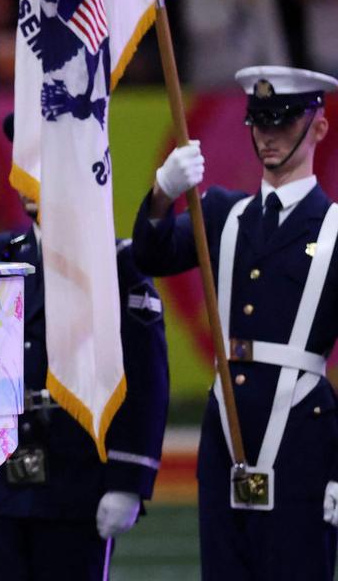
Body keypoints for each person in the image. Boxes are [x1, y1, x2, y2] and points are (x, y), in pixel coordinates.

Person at [0, 114, 169, 580]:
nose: (34, 178)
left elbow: (146, 378)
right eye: (27, 164)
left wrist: (129, 479)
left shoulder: (115, 264)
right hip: (2, 477)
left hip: (80, 476)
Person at [132, 65, 338, 580]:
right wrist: (162, 191)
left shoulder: (334, 229)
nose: (268, 136)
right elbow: (152, 256)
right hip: (227, 427)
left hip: (302, 433)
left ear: (318, 126)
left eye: (284, 122)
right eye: (260, 122)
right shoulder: (223, 213)